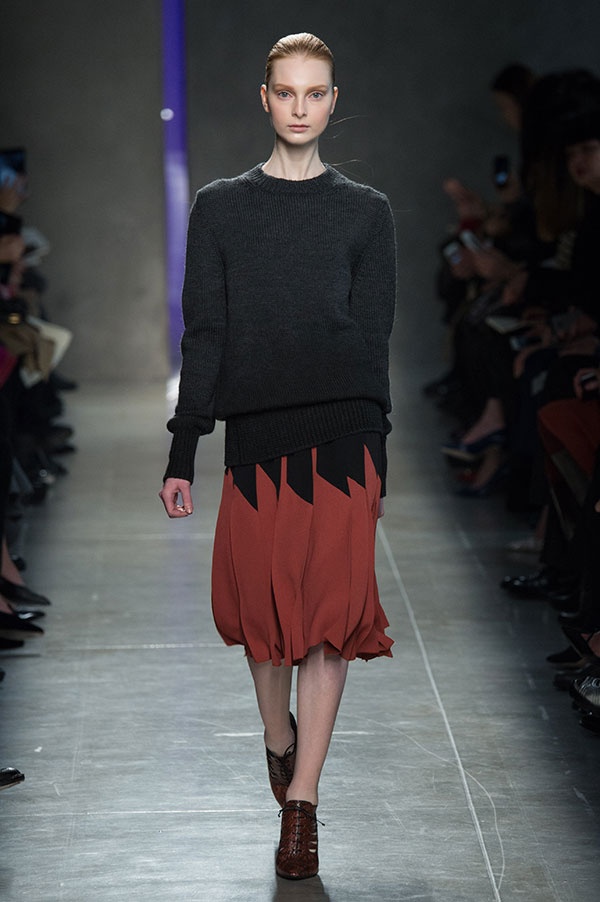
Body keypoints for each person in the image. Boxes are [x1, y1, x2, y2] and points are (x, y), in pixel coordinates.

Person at [159, 32, 396, 881]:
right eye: (286, 92)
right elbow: (206, 333)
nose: (301, 107)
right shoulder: (221, 207)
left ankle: (303, 804)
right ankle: (277, 734)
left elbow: (373, 341)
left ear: (334, 101)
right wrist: (183, 450)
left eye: (315, 92)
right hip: (258, 439)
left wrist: (379, 454)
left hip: (345, 438)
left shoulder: (367, 212)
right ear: (265, 99)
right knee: (265, 627)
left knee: (329, 625)